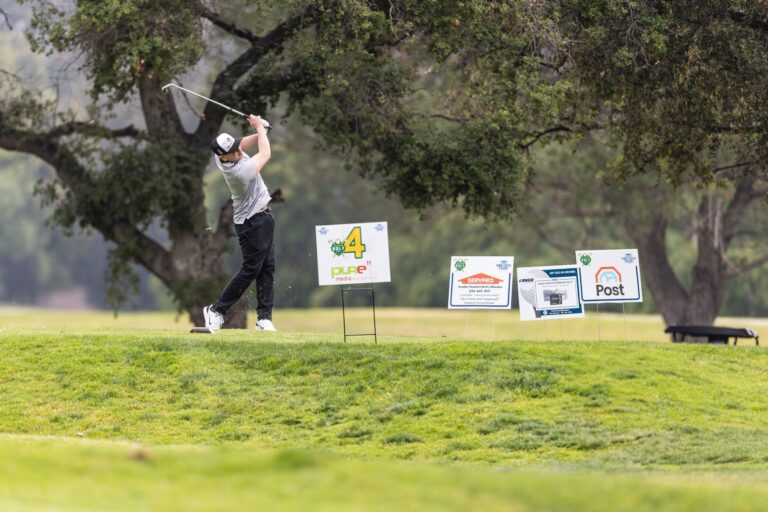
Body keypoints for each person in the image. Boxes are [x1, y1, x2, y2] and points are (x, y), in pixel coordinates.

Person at [203, 114, 276, 331]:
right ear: (223, 158)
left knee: (267, 268)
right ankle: (216, 310)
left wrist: (259, 130)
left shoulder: (223, 154)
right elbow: (266, 153)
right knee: (251, 269)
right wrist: (260, 130)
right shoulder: (238, 173)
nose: (239, 151)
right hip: (252, 222)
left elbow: (242, 143)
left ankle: (264, 317)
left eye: (236, 147)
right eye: (233, 151)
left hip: (264, 217)